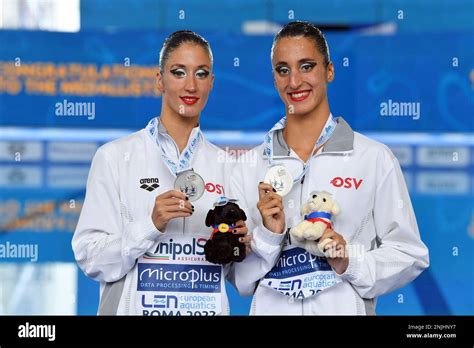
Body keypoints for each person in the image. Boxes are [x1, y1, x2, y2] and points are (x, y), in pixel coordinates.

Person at [229, 21, 429, 315]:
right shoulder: (249, 166)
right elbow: (242, 280)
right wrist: (269, 238)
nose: (294, 81)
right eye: (283, 70)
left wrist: (351, 262)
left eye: (306, 66)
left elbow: (410, 254)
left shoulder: (373, 159)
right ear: (274, 79)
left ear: (329, 71)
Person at [72, 30, 252, 315]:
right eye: (179, 72)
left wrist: (245, 243)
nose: (190, 85)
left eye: (201, 74)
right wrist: (149, 225)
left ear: (211, 83)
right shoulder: (115, 157)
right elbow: (91, 258)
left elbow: (244, 281)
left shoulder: (228, 166)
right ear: (160, 80)